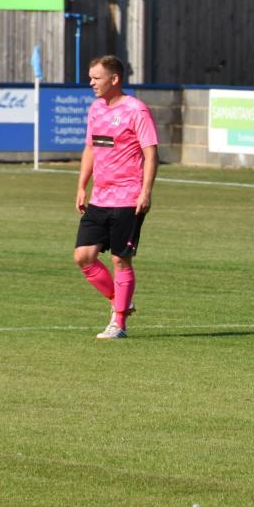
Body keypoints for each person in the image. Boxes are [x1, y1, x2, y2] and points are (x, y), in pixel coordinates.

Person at [73, 55, 158, 339]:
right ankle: (119, 300)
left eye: (96, 78)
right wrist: (82, 185)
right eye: (90, 78)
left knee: (121, 260)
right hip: (100, 198)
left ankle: (119, 323)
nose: (91, 83)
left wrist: (146, 191)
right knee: (83, 256)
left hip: (128, 199)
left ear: (115, 79)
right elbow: (90, 148)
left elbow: (150, 153)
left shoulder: (136, 110)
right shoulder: (96, 109)